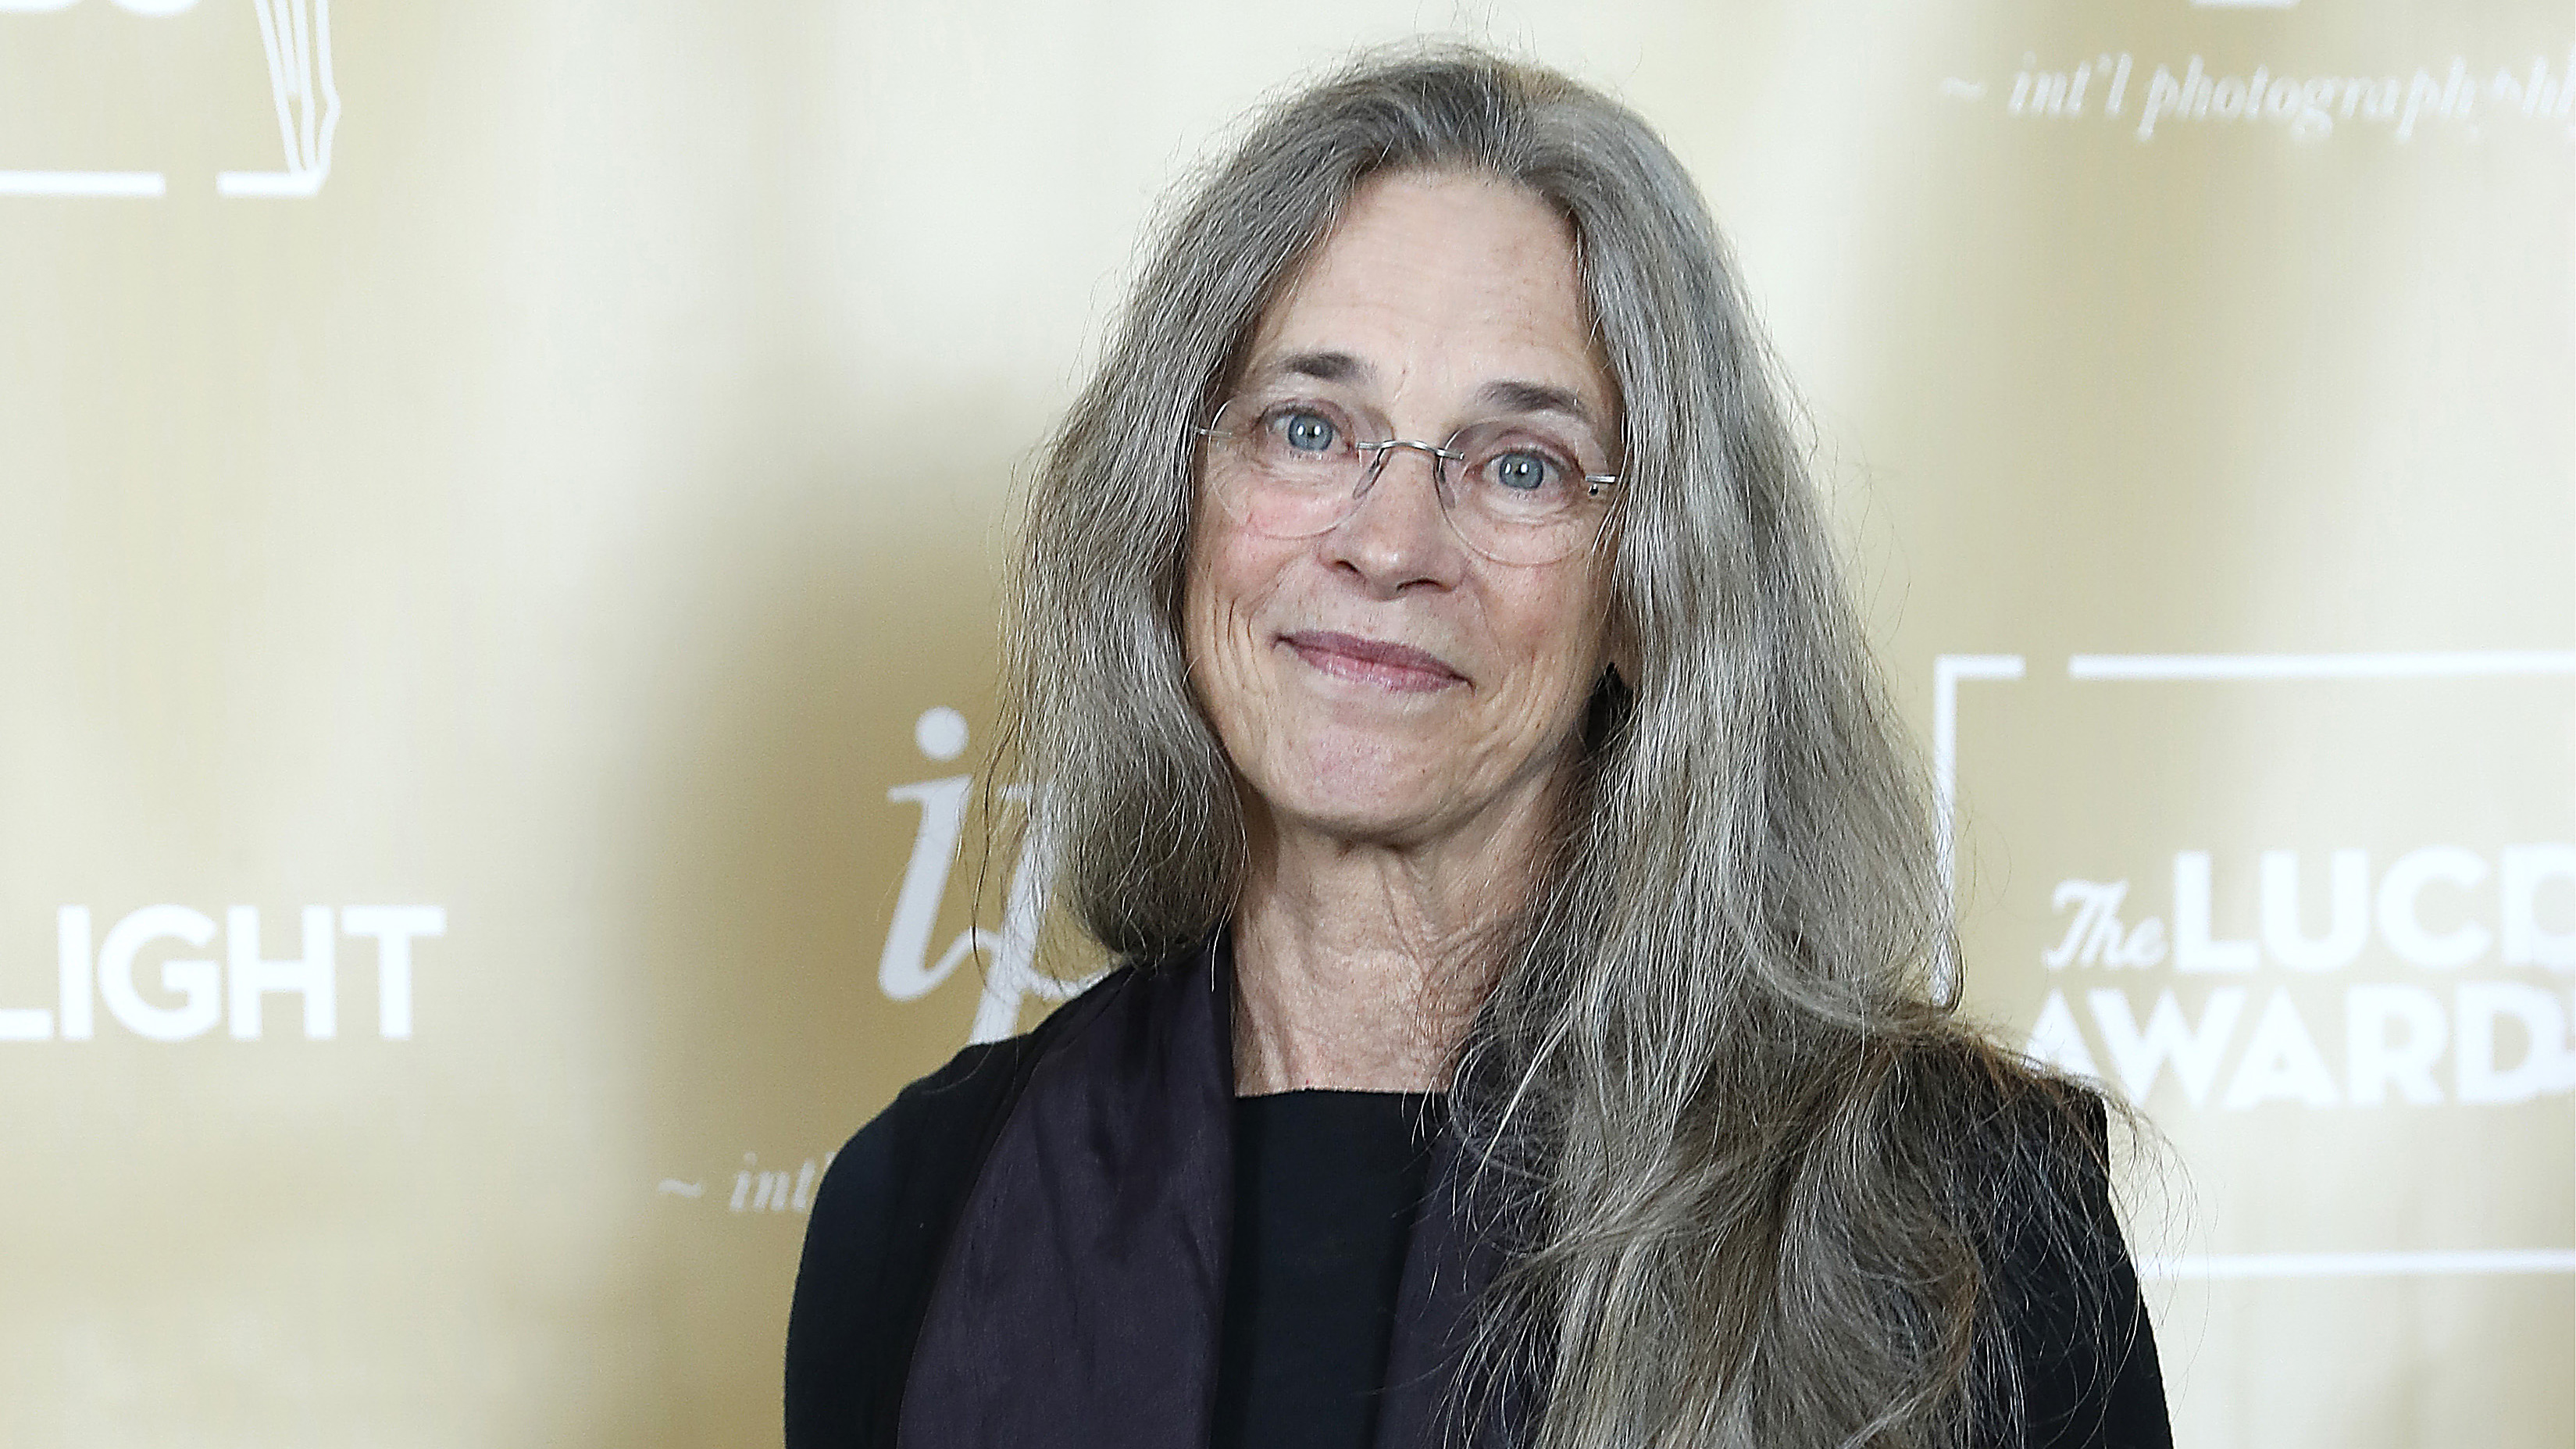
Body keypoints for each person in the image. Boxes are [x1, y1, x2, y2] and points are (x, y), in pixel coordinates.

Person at [787, 45, 2171, 1449]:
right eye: (1309, 428)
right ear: (1175, 505)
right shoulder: (914, 1207)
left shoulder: (1949, 1215)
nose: (1389, 545)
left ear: (1647, 587)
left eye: (1520, 464)